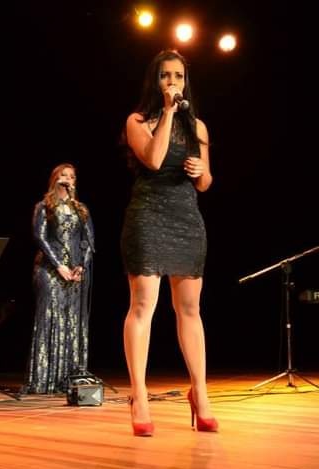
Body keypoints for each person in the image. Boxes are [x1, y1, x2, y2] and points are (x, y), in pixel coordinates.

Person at [120, 49, 217, 436]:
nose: (172, 82)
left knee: (190, 309)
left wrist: (200, 170)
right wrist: (168, 113)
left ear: (185, 81)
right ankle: (139, 396)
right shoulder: (137, 121)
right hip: (148, 217)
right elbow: (155, 159)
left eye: (178, 76)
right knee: (143, 304)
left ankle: (201, 394)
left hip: (186, 220)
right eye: (165, 76)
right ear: (155, 81)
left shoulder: (199, 127)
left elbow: (206, 183)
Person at [22, 163, 94, 394]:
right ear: (55, 179)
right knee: (50, 318)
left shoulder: (80, 209)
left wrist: (81, 266)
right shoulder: (44, 206)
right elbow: (40, 237)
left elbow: (89, 241)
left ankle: (68, 377)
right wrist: (59, 265)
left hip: (74, 272)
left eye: (72, 176)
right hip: (49, 269)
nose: (68, 179)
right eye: (63, 175)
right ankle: (44, 380)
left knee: (71, 322)